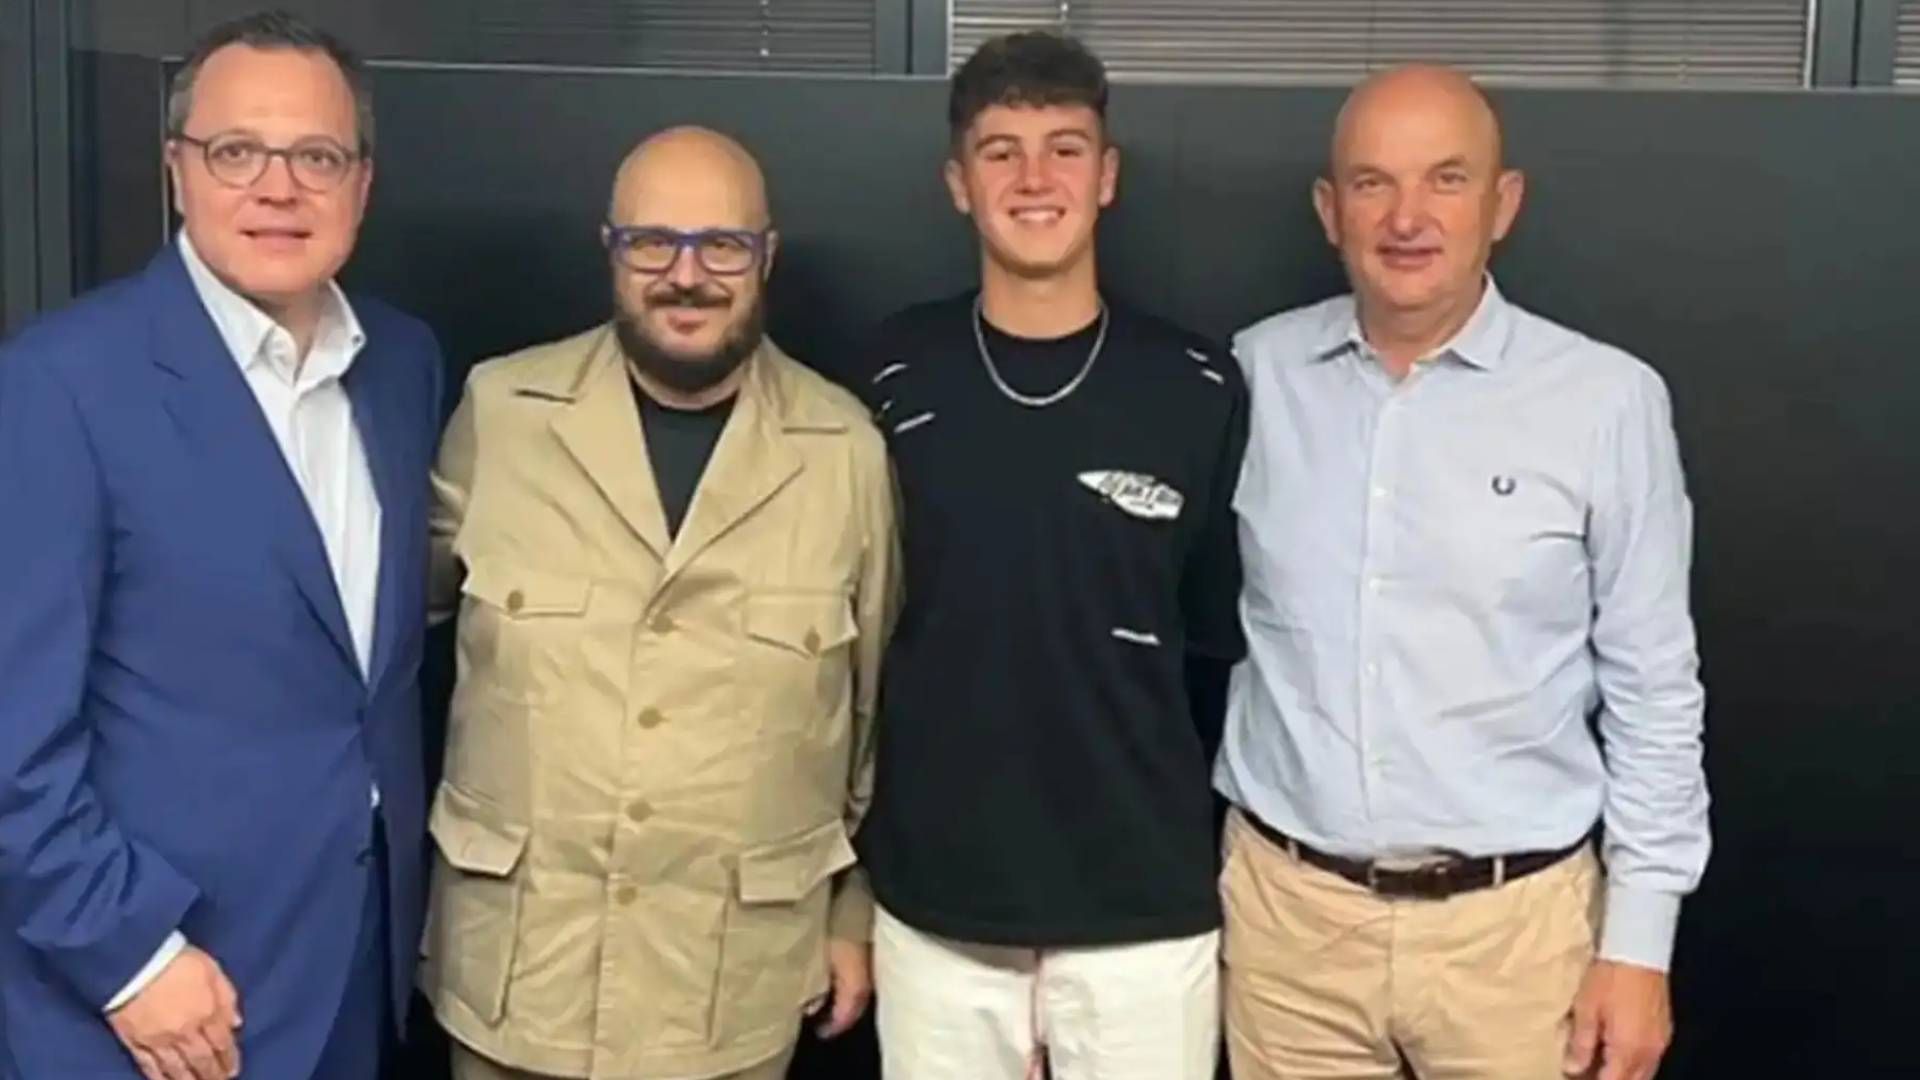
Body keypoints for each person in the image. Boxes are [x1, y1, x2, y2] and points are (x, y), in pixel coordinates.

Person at [1217, 64, 1710, 1080]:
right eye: (1373, 183)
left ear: (1503, 203)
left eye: (1447, 179)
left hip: (1520, 944)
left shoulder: (1606, 402)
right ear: (1329, 210)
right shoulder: (1250, 377)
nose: (1407, 217)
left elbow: (1655, 687)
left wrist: (1640, 946)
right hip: (1288, 937)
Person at [0, 11, 443, 1080]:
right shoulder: (60, 386)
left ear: (362, 184)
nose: (277, 188)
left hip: (352, 974)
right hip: (152, 1005)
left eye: (316, 156)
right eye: (237, 151)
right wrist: (129, 958)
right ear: (177, 169)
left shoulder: (404, 366)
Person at [420, 126, 896, 1080]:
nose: (687, 275)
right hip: (521, 978)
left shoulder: (843, 451)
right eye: (652, 242)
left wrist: (853, 910)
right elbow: (389, 650)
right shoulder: (503, 414)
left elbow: (874, 715)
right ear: (610, 249)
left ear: (767, 256)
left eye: (722, 244)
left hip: (729, 991)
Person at [852, 31, 1247, 1080]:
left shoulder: (1199, 383)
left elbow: (1218, 646)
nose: (1035, 179)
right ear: (957, 182)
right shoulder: (891, 368)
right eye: (1001, 152)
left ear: (1107, 176)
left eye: (1065, 149)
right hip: (936, 909)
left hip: (1143, 915)